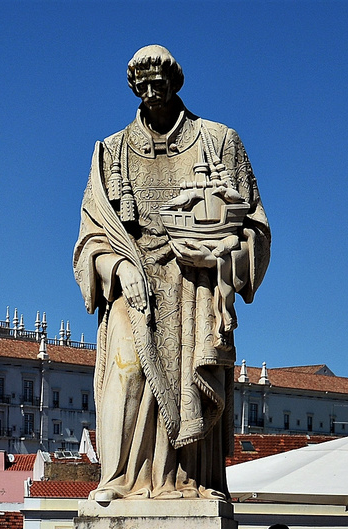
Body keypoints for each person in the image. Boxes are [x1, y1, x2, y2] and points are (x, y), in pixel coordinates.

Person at [74, 45, 270, 500]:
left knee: (189, 379)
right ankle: (120, 480)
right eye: (141, 88)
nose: (150, 95)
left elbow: (255, 226)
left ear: (175, 84)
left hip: (196, 287)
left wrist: (220, 254)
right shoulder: (110, 152)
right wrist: (118, 266)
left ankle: (190, 481)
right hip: (132, 279)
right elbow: (88, 241)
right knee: (125, 371)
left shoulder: (219, 141)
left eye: (158, 85)